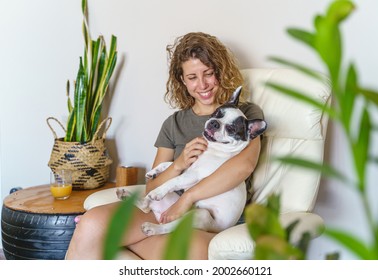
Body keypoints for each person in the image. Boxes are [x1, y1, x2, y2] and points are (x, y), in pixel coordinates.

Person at [66, 32, 264, 259]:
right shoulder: (174, 124)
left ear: (220, 71)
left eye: (209, 74)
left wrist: (187, 199)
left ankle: (128, 241)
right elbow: (152, 188)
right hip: (167, 208)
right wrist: (178, 165)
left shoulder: (244, 115)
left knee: (183, 250)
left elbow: (243, 167)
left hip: (209, 219)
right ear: (182, 80)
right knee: (91, 224)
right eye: (192, 77)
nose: (202, 84)